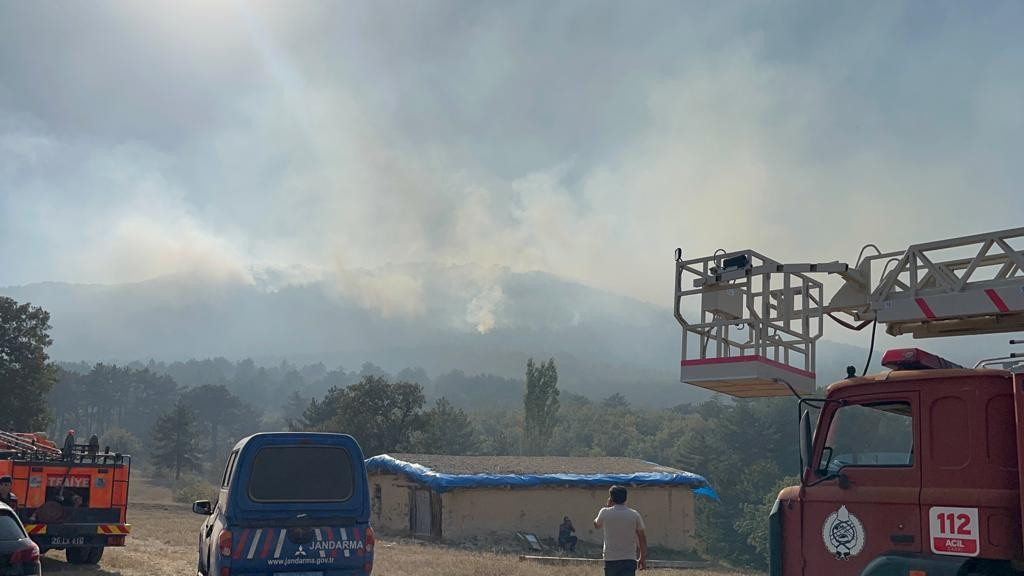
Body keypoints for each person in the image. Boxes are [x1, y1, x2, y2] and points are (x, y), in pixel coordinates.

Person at [594, 485, 647, 575]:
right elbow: (642, 538)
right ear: (626, 498)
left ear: (611, 498)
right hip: (629, 558)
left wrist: (607, 506)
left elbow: (596, 525)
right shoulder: (634, 515)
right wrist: (642, 557)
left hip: (611, 558)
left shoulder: (604, 512)